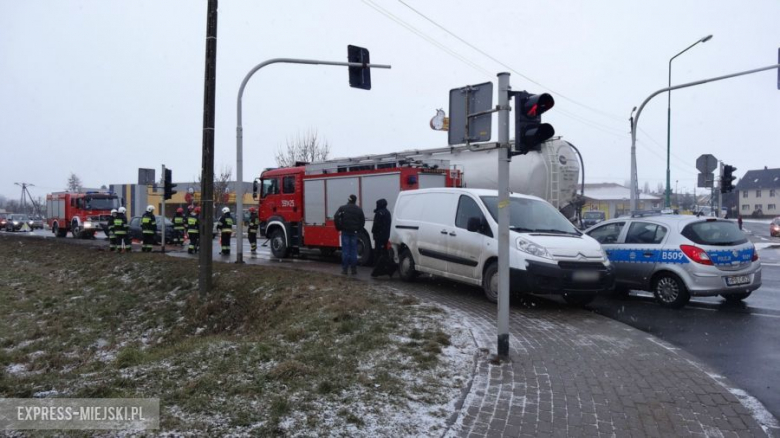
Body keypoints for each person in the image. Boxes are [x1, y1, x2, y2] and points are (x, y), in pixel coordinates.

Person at [334, 194, 365, 275]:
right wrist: (358, 229)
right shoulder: (359, 209)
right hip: (354, 232)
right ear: (355, 201)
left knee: (345, 251)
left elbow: (336, 217)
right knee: (353, 251)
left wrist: (339, 227)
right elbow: (362, 221)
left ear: (348, 200)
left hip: (345, 232)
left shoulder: (343, 208)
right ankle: (353, 269)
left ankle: (345, 269)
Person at [371, 198, 395, 277]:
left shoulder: (379, 213)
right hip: (386, 236)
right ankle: (388, 268)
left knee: (378, 253)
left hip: (379, 237)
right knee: (384, 253)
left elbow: (376, 225)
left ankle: (378, 269)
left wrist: (374, 232)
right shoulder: (387, 213)